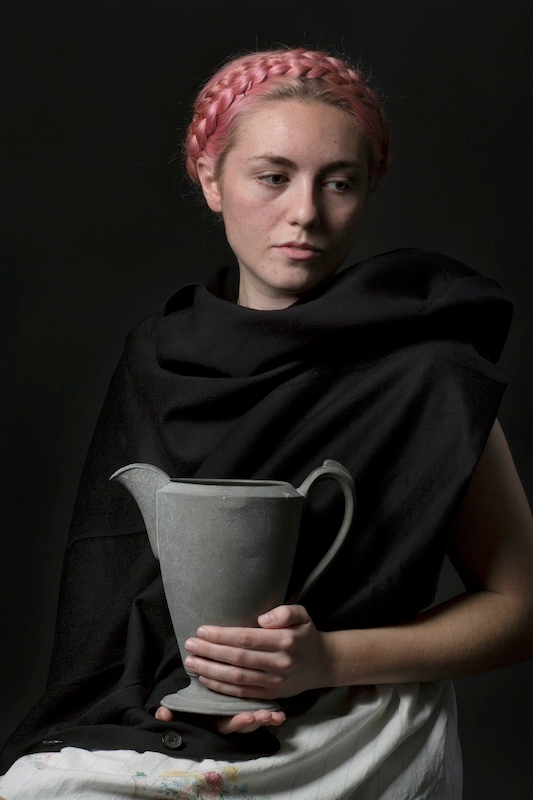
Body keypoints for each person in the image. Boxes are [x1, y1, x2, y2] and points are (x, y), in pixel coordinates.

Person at [1, 45, 532, 799]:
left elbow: (521, 608)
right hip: (180, 708)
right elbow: (119, 589)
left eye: (339, 183)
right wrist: (176, 694)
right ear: (211, 180)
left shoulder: (427, 369)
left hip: (353, 718)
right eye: (273, 177)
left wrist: (325, 661)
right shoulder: (160, 353)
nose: (305, 213)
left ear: (371, 185)